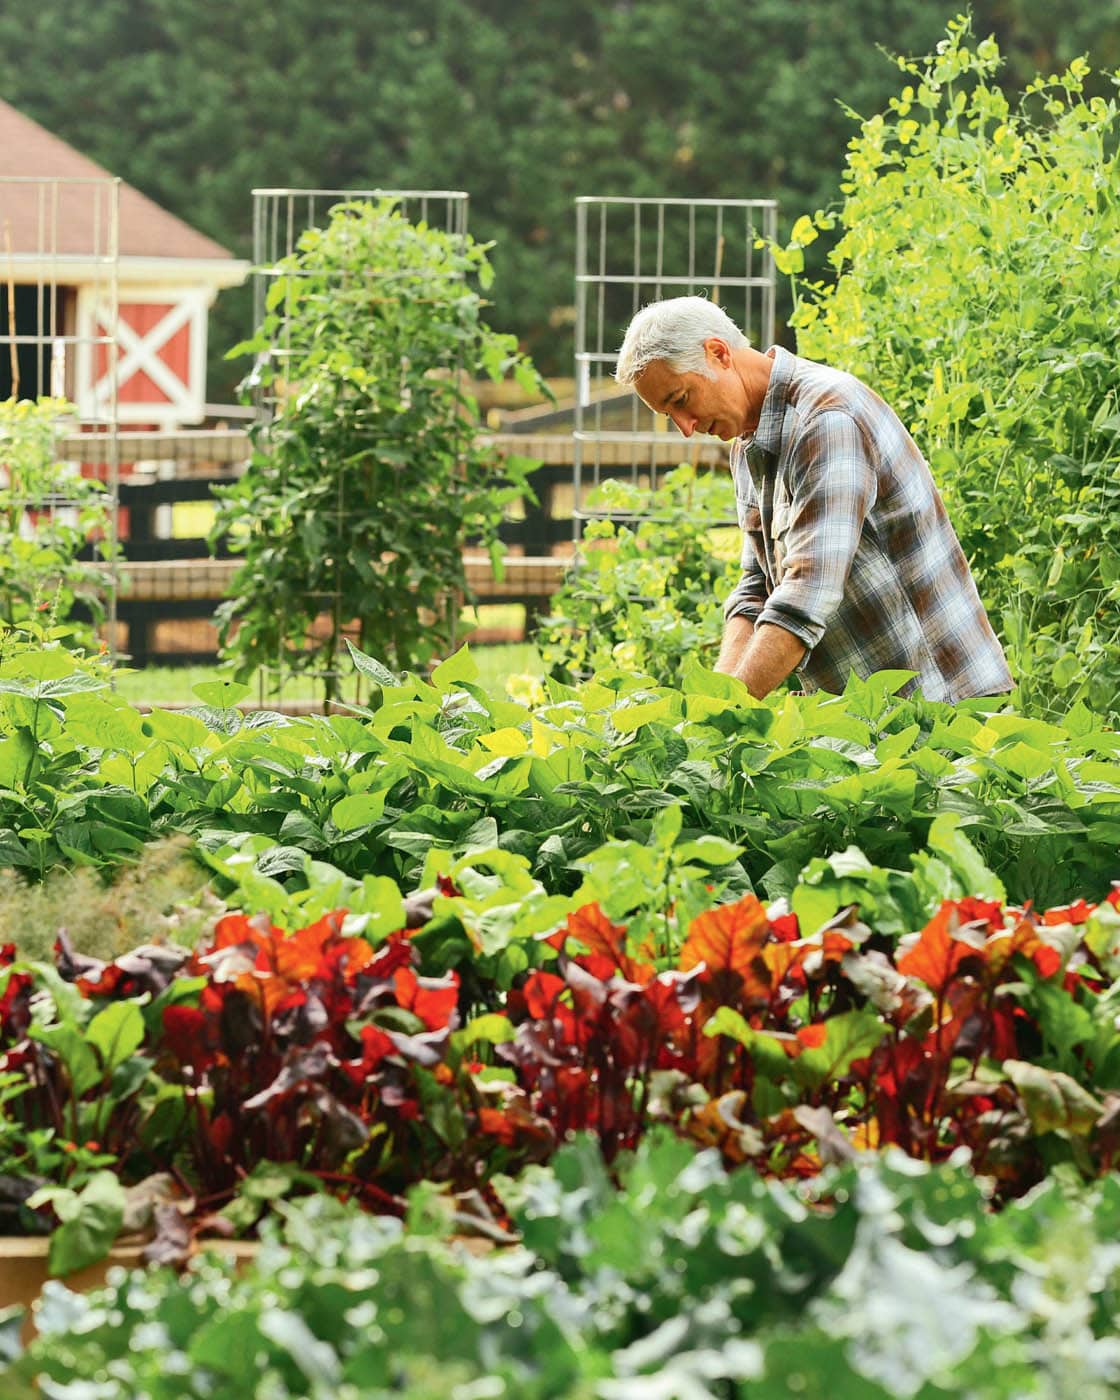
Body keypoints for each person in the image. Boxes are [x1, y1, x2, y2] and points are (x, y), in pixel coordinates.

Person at [613, 296, 1012, 703]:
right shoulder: (748, 443)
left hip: (947, 707)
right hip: (876, 719)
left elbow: (806, 595)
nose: (685, 427)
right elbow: (757, 590)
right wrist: (714, 701)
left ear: (718, 354)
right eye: (669, 415)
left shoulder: (825, 420)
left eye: (681, 400)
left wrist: (723, 717)